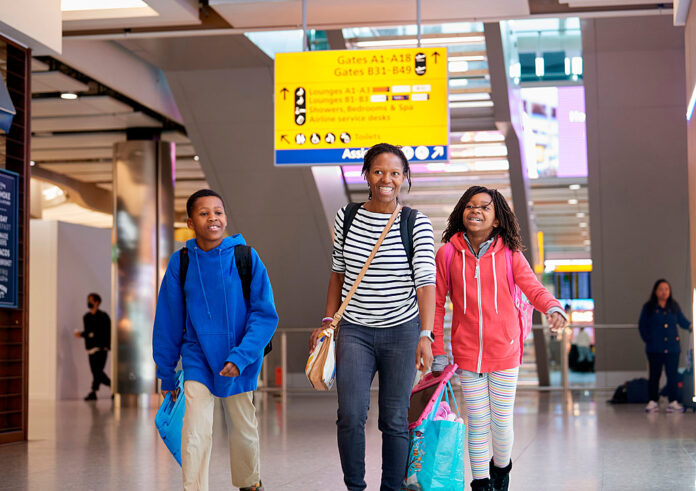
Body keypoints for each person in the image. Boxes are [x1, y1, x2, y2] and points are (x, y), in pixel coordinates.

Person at [309, 143, 436, 491]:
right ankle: (355, 487)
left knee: (395, 419)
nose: (386, 179)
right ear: (366, 174)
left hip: (402, 332)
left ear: (404, 178)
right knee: (350, 415)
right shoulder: (346, 216)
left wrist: (426, 335)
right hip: (355, 332)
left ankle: (391, 488)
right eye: (379, 171)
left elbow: (426, 285)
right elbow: (337, 273)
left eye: (395, 173)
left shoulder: (416, 223)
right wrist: (327, 324)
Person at [431, 186, 567, 491]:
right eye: (469, 206)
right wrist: (437, 349)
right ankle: (480, 485)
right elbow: (436, 305)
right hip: (467, 354)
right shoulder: (448, 254)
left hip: (505, 352)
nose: (475, 211)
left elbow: (533, 288)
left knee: (501, 422)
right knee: (477, 423)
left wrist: (553, 307)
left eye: (483, 207)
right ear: (461, 213)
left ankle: (501, 471)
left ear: (496, 219)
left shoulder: (510, 254)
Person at [153, 189, 278, 491]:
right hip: (196, 356)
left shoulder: (246, 257)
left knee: (243, 428)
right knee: (195, 430)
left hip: (239, 357)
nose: (213, 218)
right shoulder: (180, 263)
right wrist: (167, 373)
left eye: (218, 212)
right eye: (204, 213)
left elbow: (264, 315)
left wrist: (241, 356)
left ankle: (249, 483)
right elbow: (168, 321)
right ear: (190, 221)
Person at [638, 278, 692, 413]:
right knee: (654, 375)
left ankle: (673, 401)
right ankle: (652, 401)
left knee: (672, 375)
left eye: (666, 289)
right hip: (655, 348)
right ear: (655, 291)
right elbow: (642, 325)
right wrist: (649, 339)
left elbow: (682, 321)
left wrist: (691, 325)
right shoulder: (649, 307)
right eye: (661, 289)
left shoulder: (673, 306)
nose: (664, 292)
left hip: (673, 347)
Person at [74, 292, 111, 401]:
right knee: (96, 372)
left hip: (102, 349)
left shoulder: (104, 316)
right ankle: (110, 388)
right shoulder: (86, 317)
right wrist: (85, 334)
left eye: (91, 300)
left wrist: (84, 334)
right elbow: (89, 332)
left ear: (97, 302)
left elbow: (101, 332)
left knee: (97, 371)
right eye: (88, 300)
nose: (89, 302)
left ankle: (97, 390)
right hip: (91, 349)